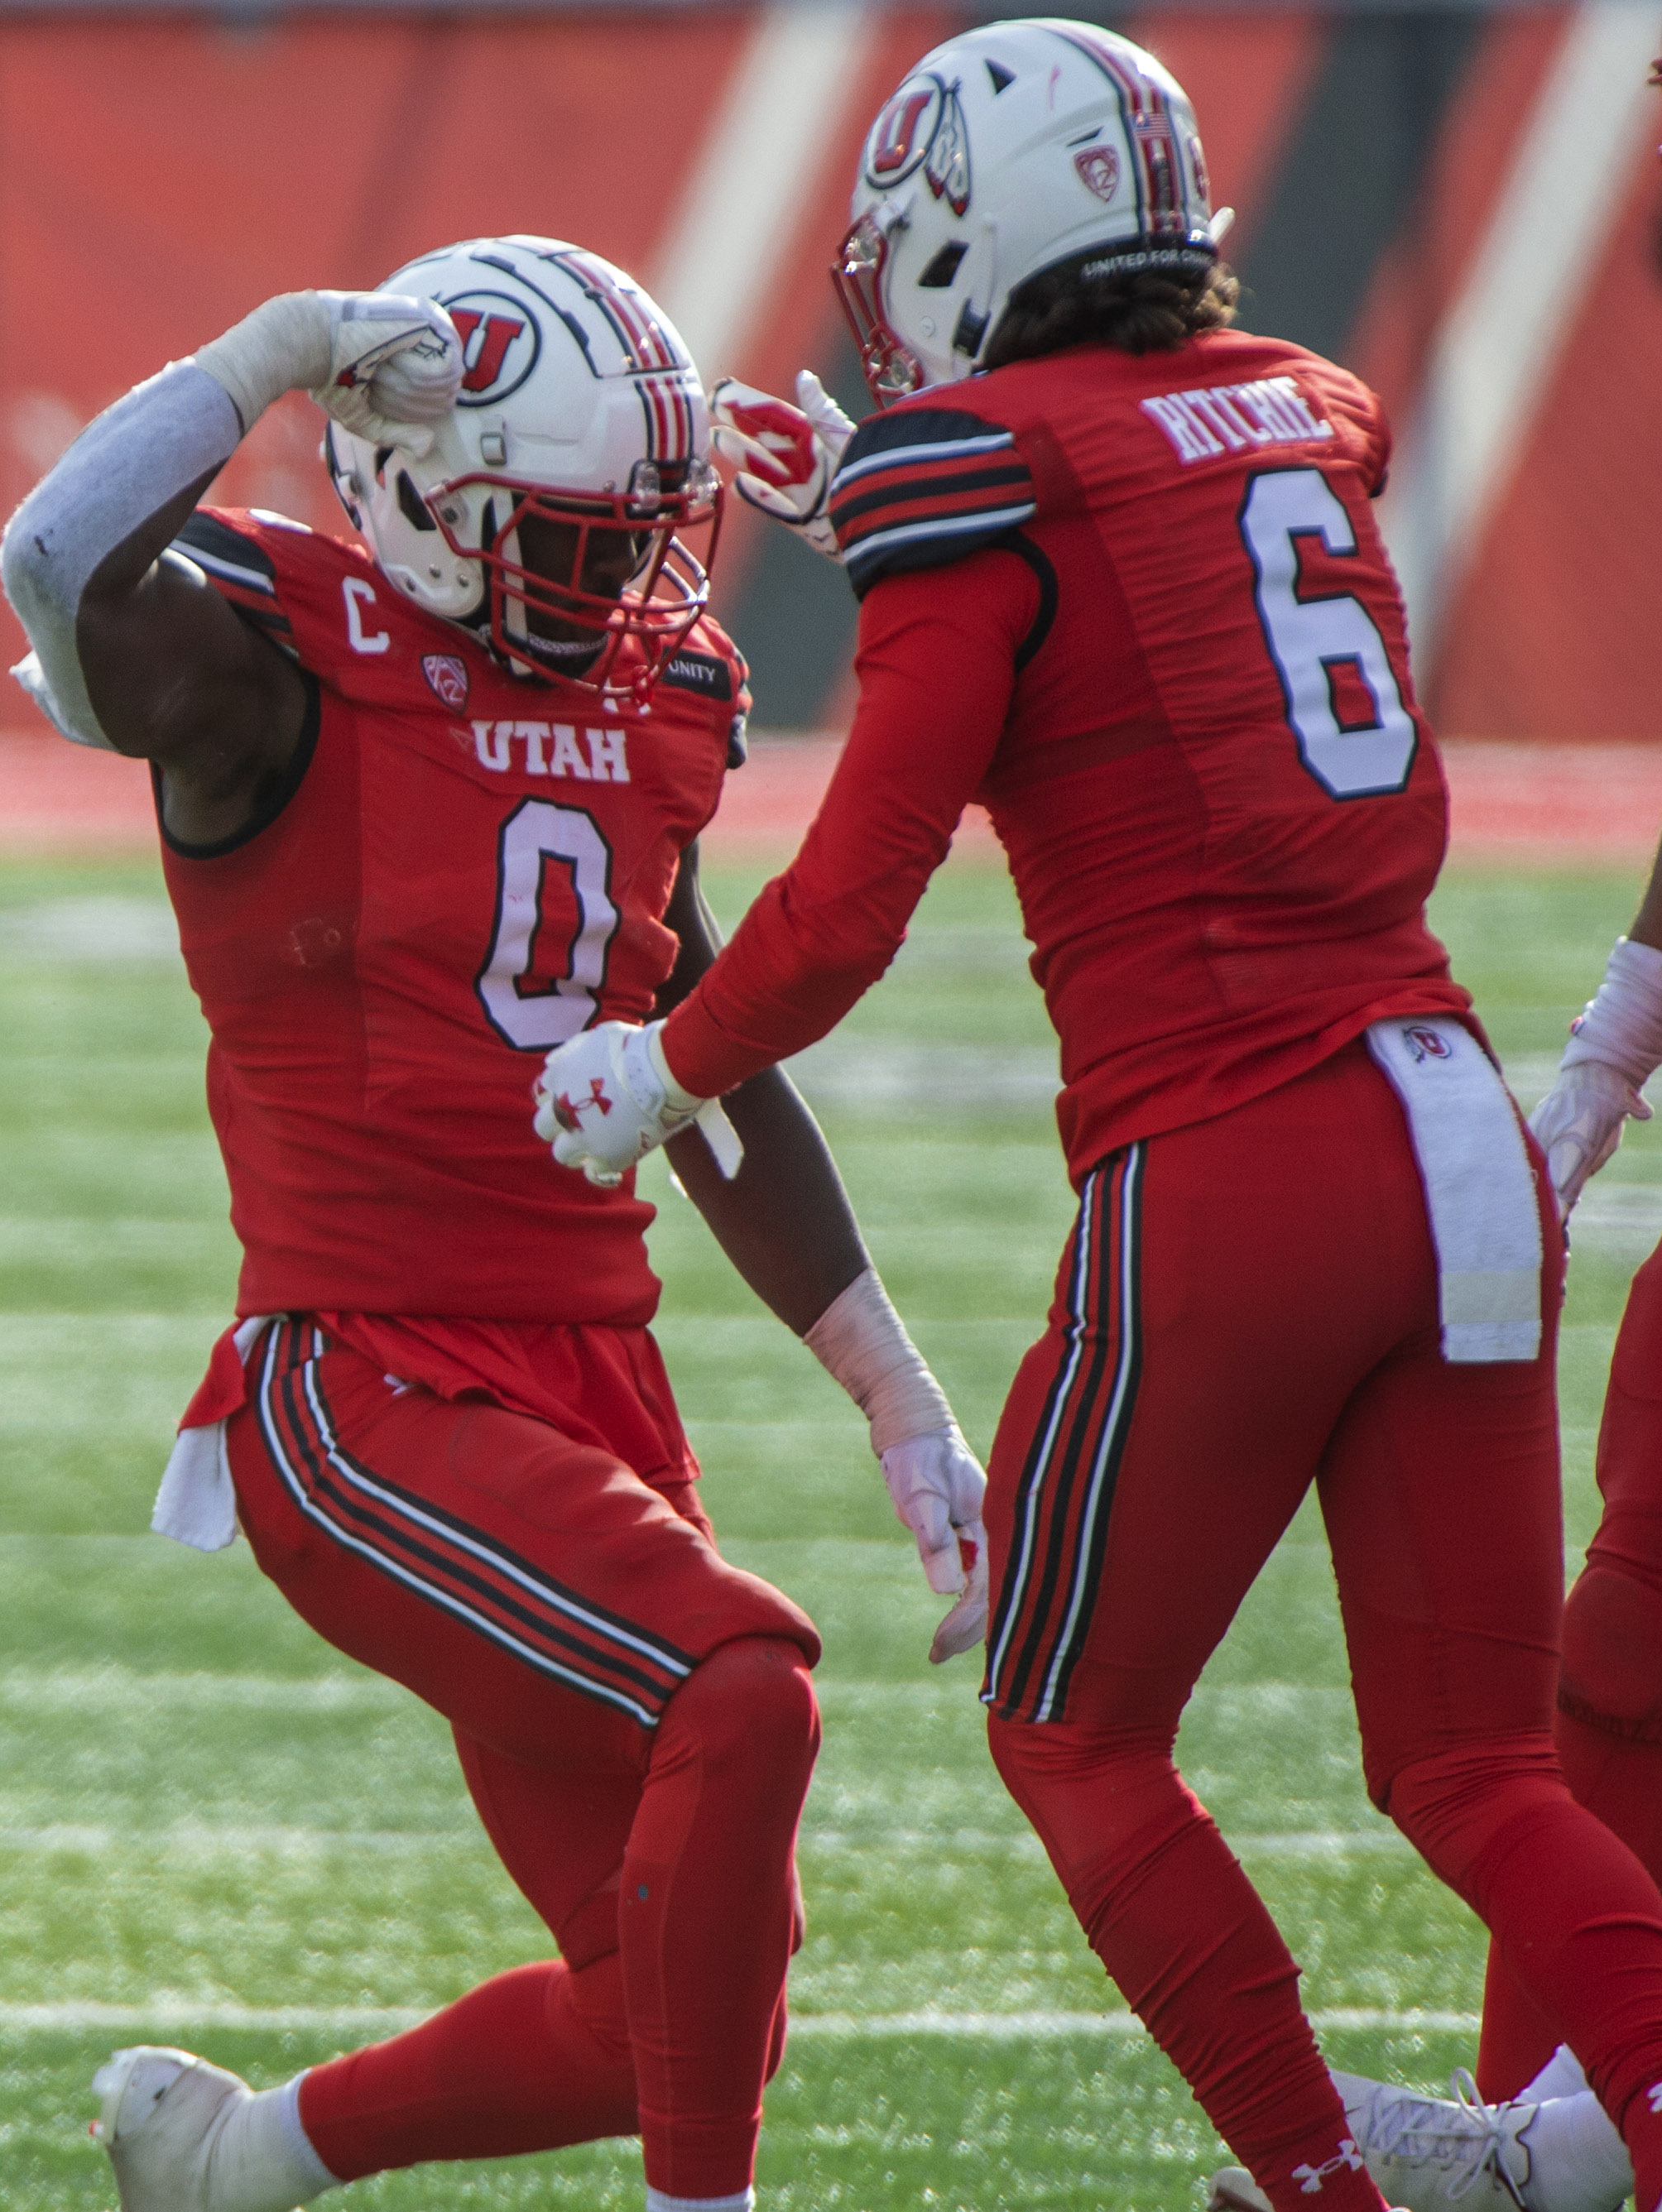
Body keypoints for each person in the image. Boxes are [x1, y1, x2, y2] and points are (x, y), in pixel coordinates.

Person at [532, 23, 1662, 2212]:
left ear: (977, 233)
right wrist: (873, 469)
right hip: (1449, 1122)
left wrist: (656, 1070)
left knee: (1072, 1734)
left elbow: (848, 900)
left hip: (1233, 1158)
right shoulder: (1298, 413)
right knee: (1478, 1766)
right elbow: (1121, 532)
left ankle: (1320, 2189)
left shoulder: (974, 482)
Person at [0, 234, 987, 2212]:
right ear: (418, 497)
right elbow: (51, 566)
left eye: (640, 534)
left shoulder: (656, 685)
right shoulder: (271, 656)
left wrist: (894, 1393)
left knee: (682, 1999)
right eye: (570, 536)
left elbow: (704, 1054)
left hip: (587, 1390)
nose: (624, 586)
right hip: (361, 1379)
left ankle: (237, 2155)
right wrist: (259, 351)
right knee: (745, 1682)